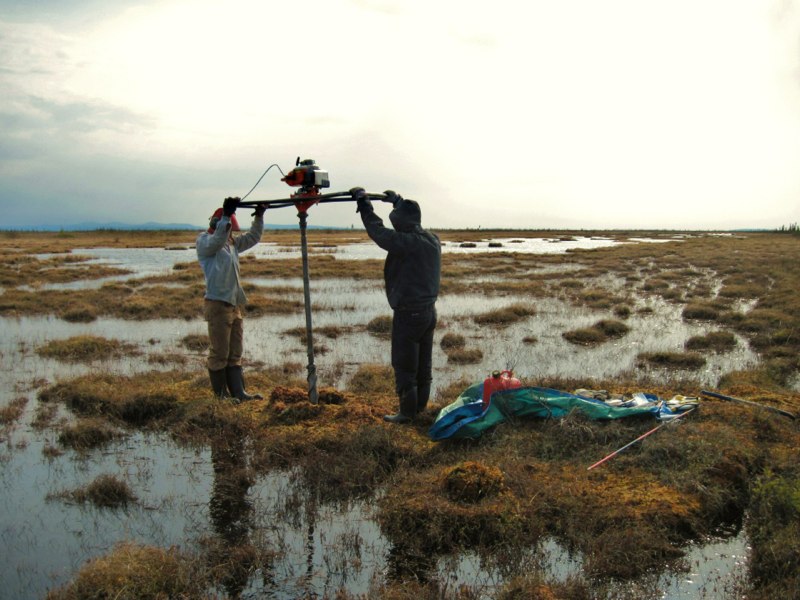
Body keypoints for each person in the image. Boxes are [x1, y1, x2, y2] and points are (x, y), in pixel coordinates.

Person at [350, 187, 441, 424]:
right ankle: (419, 409)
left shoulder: (406, 242)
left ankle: (407, 413)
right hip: (429, 313)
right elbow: (406, 219)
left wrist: (364, 204)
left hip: (409, 314)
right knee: (424, 364)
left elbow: (377, 231)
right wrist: (398, 202)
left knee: (404, 364)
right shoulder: (432, 239)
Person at [196, 196, 266, 401]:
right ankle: (221, 396)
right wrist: (226, 215)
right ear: (218, 225)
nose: (230, 234)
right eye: (228, 229)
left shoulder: (232, 244)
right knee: (219, 352)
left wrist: (259, 216)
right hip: (217, 305)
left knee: (235, 352)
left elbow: (253, 237)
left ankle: (239, 392)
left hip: (234, 305)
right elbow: (217, 240)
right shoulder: (205, 242)